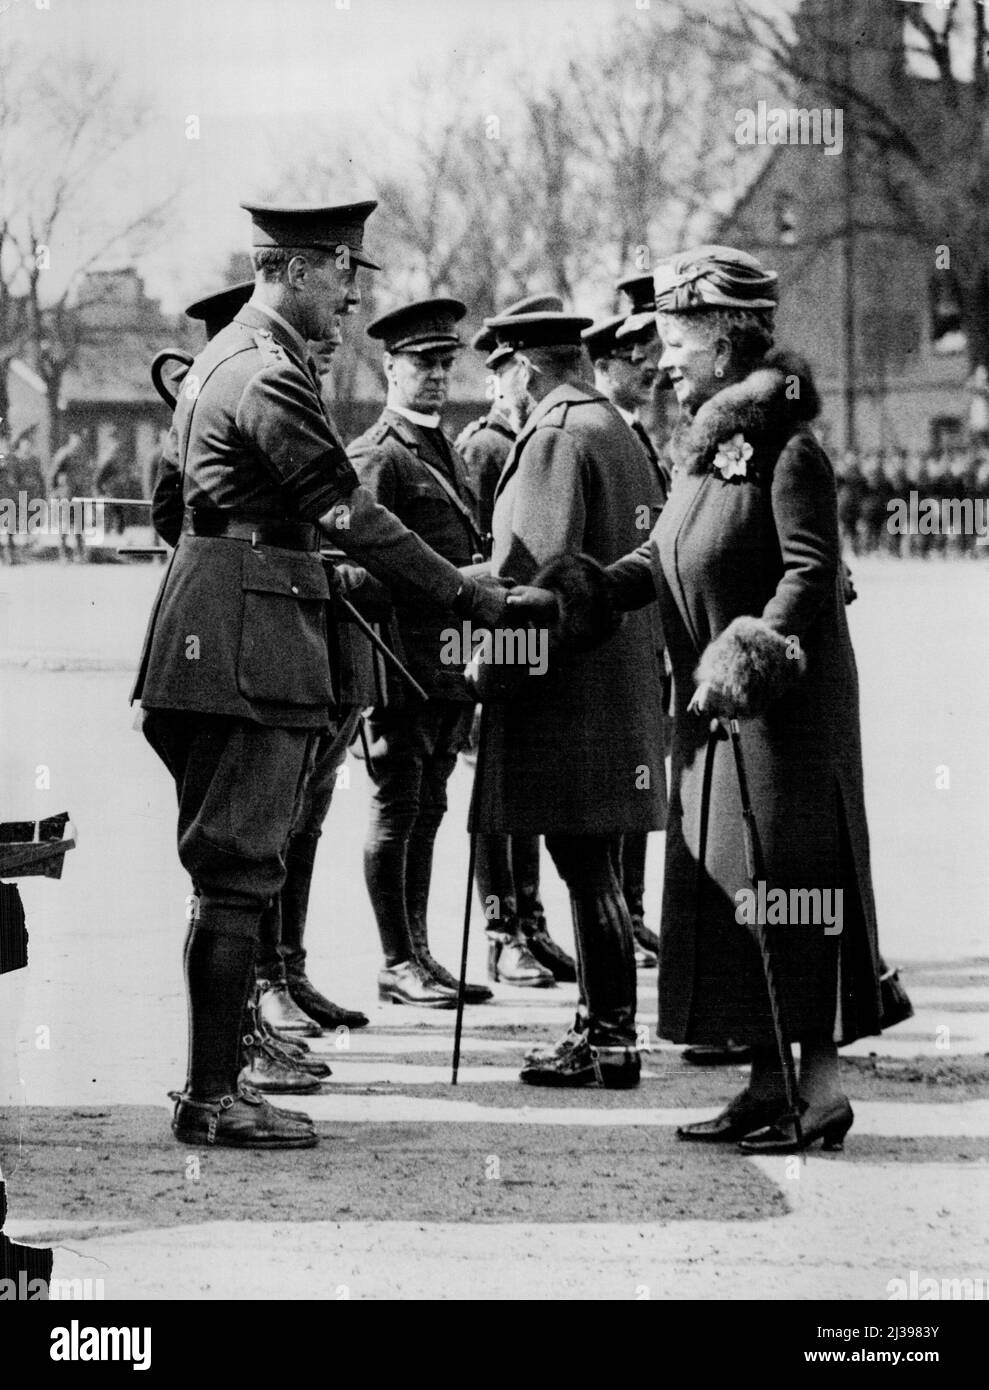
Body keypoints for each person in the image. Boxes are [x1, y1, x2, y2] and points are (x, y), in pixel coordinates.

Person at [132, 202, 515, 1149]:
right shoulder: (265, 371)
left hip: (219, 630)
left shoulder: (221, 361)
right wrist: (465, 596)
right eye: (345, 277)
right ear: (300, 270)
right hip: (248, 649)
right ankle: (213, 1097)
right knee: (236, 872)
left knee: (232, 869)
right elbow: (344, 512)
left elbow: (208, 516)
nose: (351, 298)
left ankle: (216, 1085)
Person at [518, 246, 884, 1148]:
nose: (662, 355)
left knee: (791, 894)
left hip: (784, 725)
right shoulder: (706, 454)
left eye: (675, 338)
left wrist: (742, 655)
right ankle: (767, 1084)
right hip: (718, 726)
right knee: (731, 896)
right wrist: (589, 590)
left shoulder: (789, 454)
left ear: (724, 345)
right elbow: (664, 557)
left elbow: (810, 574)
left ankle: (820, 1093)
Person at [474, 309, 668, 1087]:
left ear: (524, 370)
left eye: (504, 373)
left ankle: (608, 1038)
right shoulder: (613, 431)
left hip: (568, 689)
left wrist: (491, 668)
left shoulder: (553, 436)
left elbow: (539, 581)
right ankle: (604, 1030)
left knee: (583, 862)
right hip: (615, 679)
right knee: (598, 863)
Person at [348, 298, 498, 1007]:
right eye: (421, 364)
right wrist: (457, 582)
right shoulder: (377, 455)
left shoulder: (442, 446)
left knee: (430, 806)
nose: (436, 376)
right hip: (401, 661)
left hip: (448, 661)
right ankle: (395, 960)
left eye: (445, 362)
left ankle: (419, 954)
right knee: (396, 804)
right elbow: (356, 566)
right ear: (389, 368)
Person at [458, 291, 574, 986]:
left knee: (524, 791)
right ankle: (502, 930)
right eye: (501, 372)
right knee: (495, 802)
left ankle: (529, 921)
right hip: (491, 637)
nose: (509, 384)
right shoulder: (485, 447)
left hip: (525, 635)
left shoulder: (539, 438)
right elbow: (487, 560)